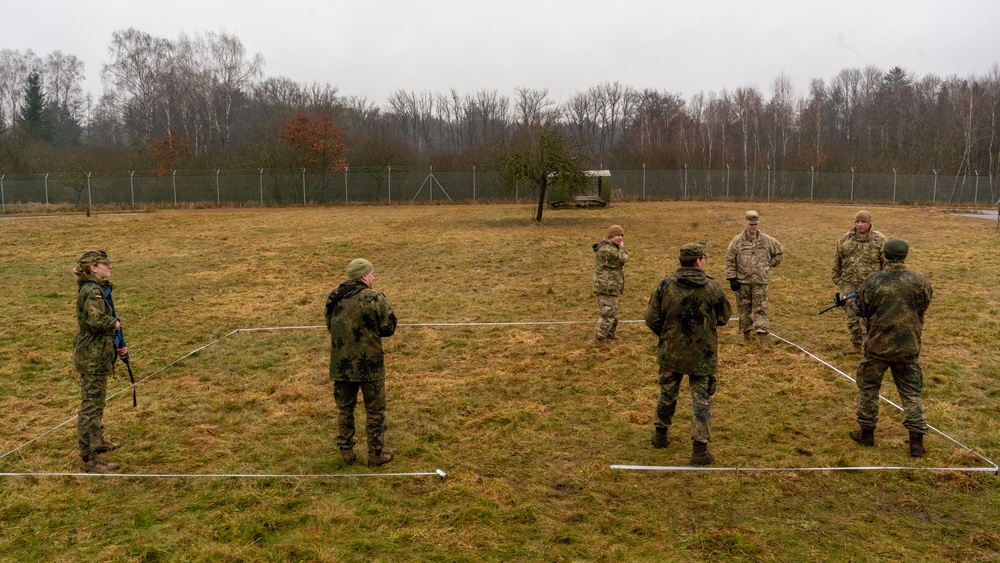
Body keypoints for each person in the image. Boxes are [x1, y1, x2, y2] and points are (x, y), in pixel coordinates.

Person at [645, 242, 732, 466]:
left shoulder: (665, 286)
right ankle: (699, 451)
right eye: (703, 258)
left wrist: (668, 336)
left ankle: (660, 436)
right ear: (697, 261)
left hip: (671, 352)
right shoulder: (712, 288)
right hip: (702, 355)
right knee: (701, 400)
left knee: (667, 393)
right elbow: (723, 317)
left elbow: (651, 318)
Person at [849, 238, 932, 457]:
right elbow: (925, 304)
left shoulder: (874, 280)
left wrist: (852, 302)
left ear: (885, 256)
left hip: (877, 346)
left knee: (869, 389)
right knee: (910, 394)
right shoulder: (920, 279)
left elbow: (860, 310)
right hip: (908, 347)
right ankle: (916, 442)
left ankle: (866, 433)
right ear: (905, 256)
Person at [325, 258, 398, 467]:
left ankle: (346, 452)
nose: (374, 277)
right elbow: (388, 328)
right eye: (372, 274)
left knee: (344, 409)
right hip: (370, 366)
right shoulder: (374, 298)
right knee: (375, 410)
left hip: (341, 366)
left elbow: (330, 326)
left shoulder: (335, 297)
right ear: (364, 276)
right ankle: (376, 454)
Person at [73, 250, 127, 473]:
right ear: (94, 268)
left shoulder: (93, 288)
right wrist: (114, 323)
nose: (109, 267)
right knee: (91, 405)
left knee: (97, 402)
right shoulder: (93, 290)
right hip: (92, 356)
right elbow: (95, 320)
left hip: (98, 354)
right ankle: (89, 458)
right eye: (105, 264)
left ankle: (97, 441)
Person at [724, 210, 783, 351]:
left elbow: (779, 253)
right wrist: (732, 278)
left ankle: (763, 340)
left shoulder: (767, 240)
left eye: (755, 224)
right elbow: (729, 260)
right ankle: (746, 337)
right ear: (746, 223)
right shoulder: (737, 241)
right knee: (744, 310)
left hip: (760, 283)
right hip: (742, 282)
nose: (753, 227)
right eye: (750, 224)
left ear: (758, 224)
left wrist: (767, 264)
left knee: (760, 310)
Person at [832, 210, 887, 353]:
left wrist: (882, 283)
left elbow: (886, 263)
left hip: (871, 286)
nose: (860, 225)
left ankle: (872, 346)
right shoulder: (844, 240)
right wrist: (840, 281)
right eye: (857, 222)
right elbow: (837, 262)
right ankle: (856, 345)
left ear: (869, 223)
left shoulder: (880, 240)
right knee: (852, 316)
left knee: (871, 317)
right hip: (848, 285)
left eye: (863, 222)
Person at [592, 224, 630, 341]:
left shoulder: (611, 247)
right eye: (617, 235)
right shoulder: (607, 250)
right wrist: (622, 248)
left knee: (614, 313)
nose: (620, 238)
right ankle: (599, 339)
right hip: (606, 286)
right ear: (611, 236)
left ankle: (610, 334)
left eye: (621, 235)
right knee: (608, 314)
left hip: (612, 286)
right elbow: (623, 258)